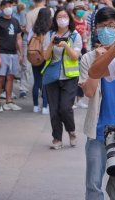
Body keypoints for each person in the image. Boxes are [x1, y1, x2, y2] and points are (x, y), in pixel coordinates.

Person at [79, 8, 115, 200]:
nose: (106, 30)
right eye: (102, 26)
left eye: (111, 26)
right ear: (95, 29)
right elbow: (89, 92)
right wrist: (99, 59)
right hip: (98, 132)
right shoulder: (88, 58)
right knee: (94, 186)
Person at [42, 7, 82, 150]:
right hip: (52, 77)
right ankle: (57, 138)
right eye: (59, 16)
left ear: (70, 19)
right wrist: (52, 44)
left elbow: (75, 56)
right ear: (55, 19)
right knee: (54, 109)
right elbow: (45, 57)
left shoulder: (75, 35)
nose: (62, 19)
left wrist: (65, 44)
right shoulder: (50, 35)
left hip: (69, 77)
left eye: (65, 16)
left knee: (65, 107)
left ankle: (71, 131)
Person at [0, 0, 23, 112]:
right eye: (6, 6)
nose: (9, 8)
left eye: (10, 5)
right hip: (2, 53)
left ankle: (9, 101)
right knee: (0, 78)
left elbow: (19, 38)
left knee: (10, 78)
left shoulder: (15, 21)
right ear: (1, 8)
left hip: (13, 54)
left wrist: (21, 54)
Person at [28, 7, 51, 114]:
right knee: (45, 82)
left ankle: (35, 106)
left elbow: (28, 41)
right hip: (46, 57)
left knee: (36, 82)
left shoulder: (34, 29)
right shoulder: (49, 30)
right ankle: (45, 107)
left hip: (35, 56)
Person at [73, 1, 89, 109]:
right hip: (74, 50)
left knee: (82, 74)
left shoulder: (85, 22)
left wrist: (86, 39)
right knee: (74, 75)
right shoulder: (72, 22)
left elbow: (86, 33)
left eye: (82, 9)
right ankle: (72, 100)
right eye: (79, 9)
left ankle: (79, 99)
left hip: (83, 48)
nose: (81, 11)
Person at [13, 3, 31, 99]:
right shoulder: (23, 13)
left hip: (34, 42)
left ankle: (25, 87)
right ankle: (23, 88)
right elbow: (21, 28)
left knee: (27, 66)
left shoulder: (32, 12)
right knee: (25, 66)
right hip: (24, 42)